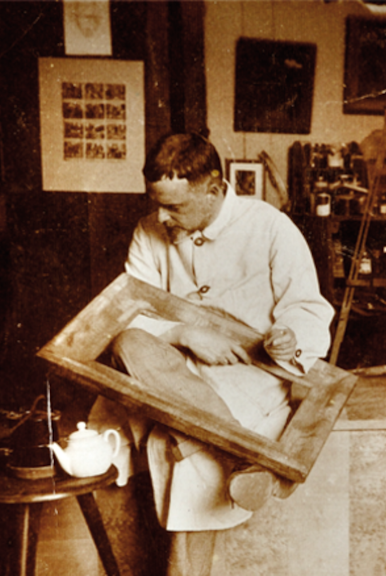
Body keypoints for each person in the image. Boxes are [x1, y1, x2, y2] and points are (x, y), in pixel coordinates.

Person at [88, 132, 334, 576]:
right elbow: (129, 314)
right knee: (127, 343)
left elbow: (307, 309)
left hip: (248, 373)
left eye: (175, 206)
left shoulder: (272, 227)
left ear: (216, 189)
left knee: (181, 448)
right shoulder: (149, 230)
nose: (162, 216)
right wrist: (183, 333)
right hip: (169, 367)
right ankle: (240, 455)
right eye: (157, 202)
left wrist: (287, 337)